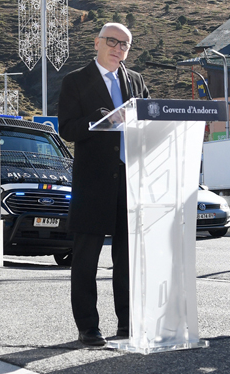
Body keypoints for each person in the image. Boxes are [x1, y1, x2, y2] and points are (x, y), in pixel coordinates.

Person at [58, 22, 149, 347]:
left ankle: (128, 324)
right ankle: (88, 327)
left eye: (124, 44)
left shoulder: (136, 80)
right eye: (112, 41)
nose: (118, 48)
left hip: (130, 180)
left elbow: (148, 121)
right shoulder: (75, 81)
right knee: (86, 260)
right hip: (93, 183)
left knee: (127, 259)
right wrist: (102, 121)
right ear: (97, 43)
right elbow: (67, 128)